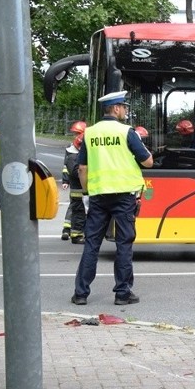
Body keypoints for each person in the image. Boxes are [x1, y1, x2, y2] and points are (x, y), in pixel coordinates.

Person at [71, 91, 153, 306]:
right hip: (124, 196)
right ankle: (122, 294)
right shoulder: (127, 132)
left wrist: (88, 191)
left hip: (98, 196)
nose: (125, 110)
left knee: (92, 244)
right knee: (124, 244)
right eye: (124, 107)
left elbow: (82, 168)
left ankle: (81, 293)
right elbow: (148, 162)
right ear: (116, 109)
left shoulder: (89, 133)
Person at [61, 121, 88, 243]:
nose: (74, 136)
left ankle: (73, 231)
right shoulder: (72, 154)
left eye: (77, 133)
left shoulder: (75, 152)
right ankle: (74, 233)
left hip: (79, 189)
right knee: (78, 212)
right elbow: (75, 171)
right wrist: (65, 180)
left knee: (79, 212)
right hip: (78, 189)